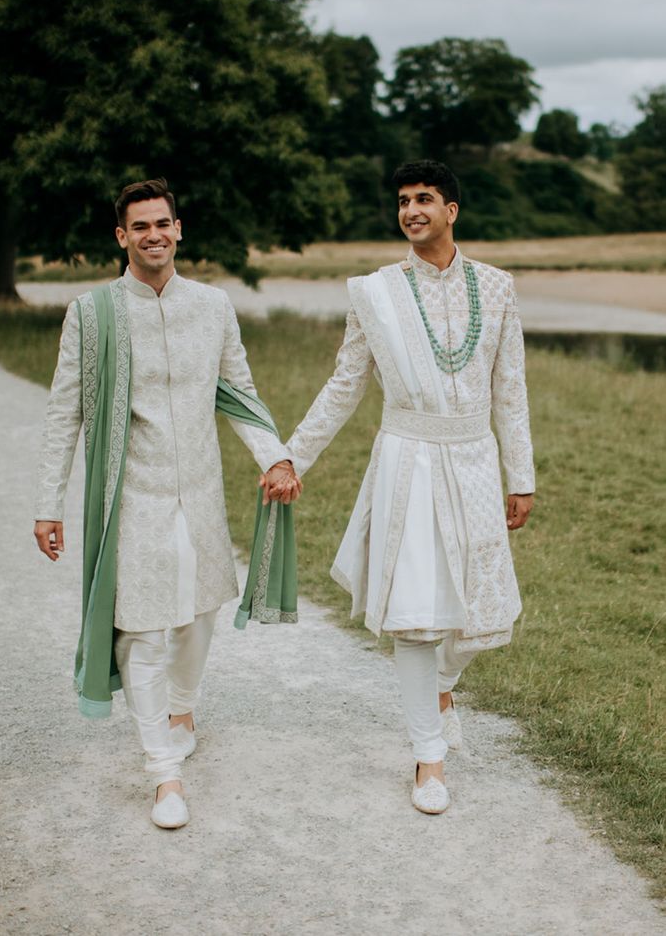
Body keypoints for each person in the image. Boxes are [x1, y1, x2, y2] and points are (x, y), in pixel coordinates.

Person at [34, 177, 301, 829]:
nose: (153, 234)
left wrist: (276, 456)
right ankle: (163, 773)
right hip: (131, 495)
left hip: (201, 490)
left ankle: (184, 706)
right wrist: (50, 503)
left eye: (163, 223)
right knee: (142, 628)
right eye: (140, 226)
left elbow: (239, 391)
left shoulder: (211, 306)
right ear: (121, 237)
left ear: (179, 230)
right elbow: (63, 410)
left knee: (199, 610)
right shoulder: (93, 313)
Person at [282, 159, 535, 815]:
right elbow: (345, 385)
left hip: (476, 458)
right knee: (418, 617)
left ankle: (443, 688)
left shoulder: (499, 288)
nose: (411, 210)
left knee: (485, 610)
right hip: (408, 458)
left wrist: (522, 475)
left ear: (453, 209)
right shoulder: (374, 293)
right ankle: (429, 757)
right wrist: (292, 459)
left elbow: (510, 390)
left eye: (424, 198)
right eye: (402, 200)